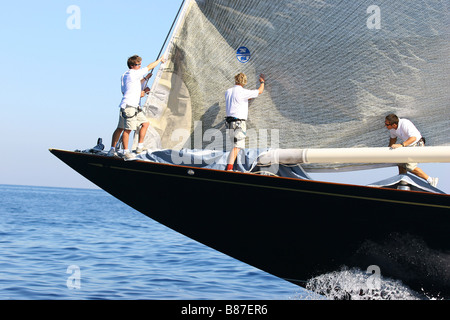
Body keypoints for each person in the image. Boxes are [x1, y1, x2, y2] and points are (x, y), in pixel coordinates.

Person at [108, 55, 165, 158]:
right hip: (129, 106)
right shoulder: (132, 73)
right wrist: (160, 60)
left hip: (132, 106)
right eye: (138, 65)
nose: (140, 66)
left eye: (140, 64)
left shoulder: (126, 76)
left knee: (145, 123)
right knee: (127, 129)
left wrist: (145, 80)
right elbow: (149, 67)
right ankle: (126, 152)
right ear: (132, 65)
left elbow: (130, 88)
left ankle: (139, 147)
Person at [224, 72, 265, 171]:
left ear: (235, 80)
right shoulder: (243, 92)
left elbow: (236, 101)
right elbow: (259, 91)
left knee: (235, 146)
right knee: (237, 147)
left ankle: (233, 168)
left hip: (230, 123)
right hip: (239, 123)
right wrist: (262, 82)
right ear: (245, 82)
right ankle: (229, 169)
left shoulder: (228, 91)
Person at [385, 113, 438, 187]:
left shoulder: (405, 123)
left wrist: (401, 145)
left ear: (394, 124)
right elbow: (393, 139)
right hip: (408, 146)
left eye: (387, 124)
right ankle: (403, 181)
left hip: (417, 144)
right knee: (400, 163)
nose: (385, 126)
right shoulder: (392, 129)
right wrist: (387, 150)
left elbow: (413, 138)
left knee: (410, 167)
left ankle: (431, 180)